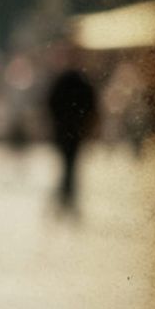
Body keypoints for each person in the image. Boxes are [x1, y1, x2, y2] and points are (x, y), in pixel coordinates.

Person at [43, 40, 101, 218]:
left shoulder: (67, 80)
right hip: (71, 130)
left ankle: (64, 198)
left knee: (68, 166)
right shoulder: (77, 80)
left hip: (68, 131)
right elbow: (90, 106)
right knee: (70, 166)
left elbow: (52, 105)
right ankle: (66, 198)